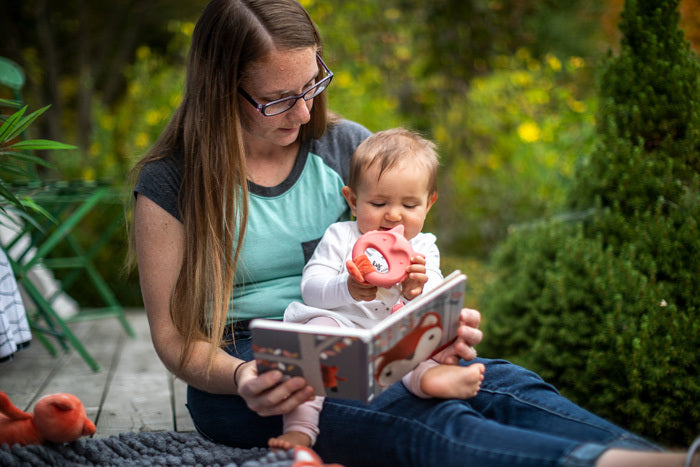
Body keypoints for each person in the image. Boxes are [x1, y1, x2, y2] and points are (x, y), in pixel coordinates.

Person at [128, 0, 700, 465]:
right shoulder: (171, 182)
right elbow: (175, 340)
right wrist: (243, 376)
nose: (304, 113)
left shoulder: (345, 146)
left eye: (313, 84)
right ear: (220, 89)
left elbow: (404, 258)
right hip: (253, 370)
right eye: (278, 99)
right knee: (418, 418)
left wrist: (432, 322)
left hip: (367, 337)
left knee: (502, 384)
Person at [269, 128, 486, 450]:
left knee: (423, 337)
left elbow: (437, 299)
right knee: (314, 339)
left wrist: (417, 289)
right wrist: (348, 287)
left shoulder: (423, 247)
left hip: (393, 332)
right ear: (353, 200)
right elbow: (311, 289)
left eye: (410, 205)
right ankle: (301, 429)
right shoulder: (340, 236)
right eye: (379, 202)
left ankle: (429, 380)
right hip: (342, 328)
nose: (394, 214)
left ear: (429, 204)